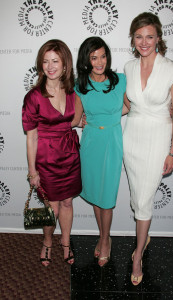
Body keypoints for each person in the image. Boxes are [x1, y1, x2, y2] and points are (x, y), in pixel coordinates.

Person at [123, 12, 173, 285]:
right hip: (131, 137)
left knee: (145, 198)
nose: (144, 42)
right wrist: (96, 120)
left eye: (149, 36)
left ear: (158, 37)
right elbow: (126, 106)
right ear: (133, 39)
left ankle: (137, 256)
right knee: (137, 196)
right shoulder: (128, 67)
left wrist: (172, 152)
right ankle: (143, 235)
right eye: (139, 36)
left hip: (158, 138)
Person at [22, 39, 82, 267]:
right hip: (46, 160)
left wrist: (82, 121)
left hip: (70, 156)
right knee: (52, 207)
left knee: (67, 202)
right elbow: (31, 136)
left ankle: (65, 241)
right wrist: (32, 171)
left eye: (55, 61)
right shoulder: (34, 97)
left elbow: (74, 119)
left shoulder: (70, 91)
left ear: (65, 64)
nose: (50, 66)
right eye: (45, 61)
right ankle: (47, 241)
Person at [71, 36, 127, 267]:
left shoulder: (121, 80)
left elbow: (130, 107)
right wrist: (83, 122)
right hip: (92, 143)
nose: (99, 61)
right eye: (94, 57)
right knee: (96, 194)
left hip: (112, 141)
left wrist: (112, 118)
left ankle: (105, 240)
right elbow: (74, 119)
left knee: (107, 198)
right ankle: (104, 237)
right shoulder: (80, 86)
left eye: (103, 56)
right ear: (86, 60)